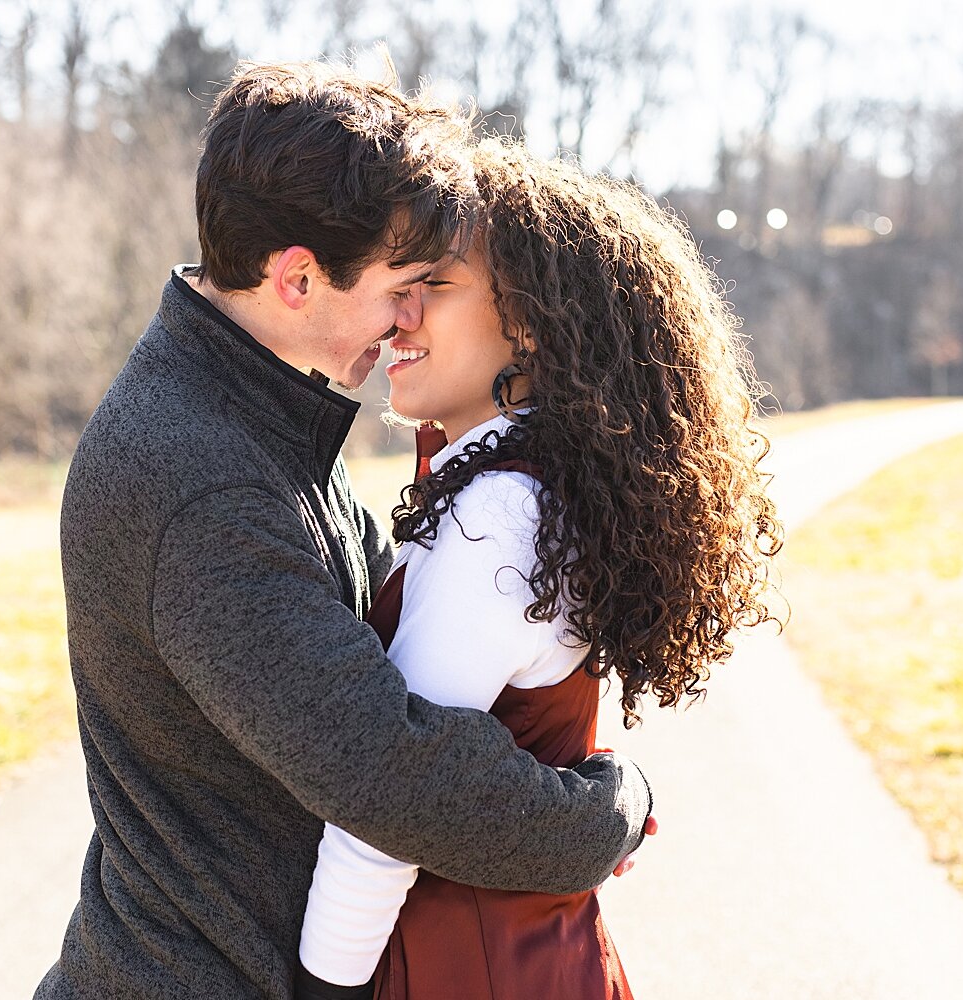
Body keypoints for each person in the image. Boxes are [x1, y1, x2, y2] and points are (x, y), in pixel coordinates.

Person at [32, 63, 654, 1000]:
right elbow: (389, 767)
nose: (411, 318)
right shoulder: (203, 477)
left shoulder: (259, 418)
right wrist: (605, 817)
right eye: (403, 285)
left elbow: (396, 654)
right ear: (296, 278)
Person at [295, 140, 783, 999]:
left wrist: (323, 985)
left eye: (432, 286)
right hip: (532, 961)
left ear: (530, 321)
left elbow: (393, 797)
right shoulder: (528, 487)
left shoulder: (499, 514)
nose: (396, 314)